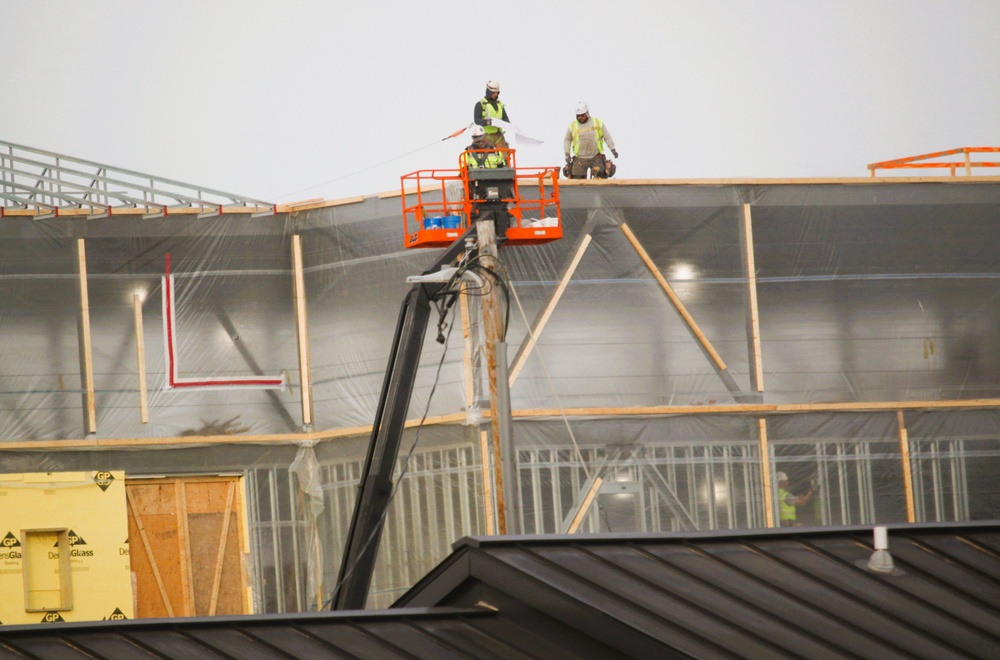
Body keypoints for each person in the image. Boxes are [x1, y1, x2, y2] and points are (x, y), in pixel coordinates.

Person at [563, 102, 618, 179]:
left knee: (601, 176)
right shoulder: (572, 126)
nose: (580, 117)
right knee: (576, 178)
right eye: (578, 116)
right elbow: (567, 140)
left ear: (587, 113)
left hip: (596, 156)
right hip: (580, 158)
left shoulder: (597, 123)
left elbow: (607, 136)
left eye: (582, 115)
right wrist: (567, 154)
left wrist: (613, 149)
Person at [473, 80, 511, 150]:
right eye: (493, 93)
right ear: (488, 91)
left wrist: (507, 124)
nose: (496, 95)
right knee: (489, 156)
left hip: (499, 136)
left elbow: (505, 118)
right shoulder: (480, 104)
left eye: (497, 93)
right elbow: (477, 120)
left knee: (504, 156)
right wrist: (487, 122)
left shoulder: (500, 104)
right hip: (485, 136)